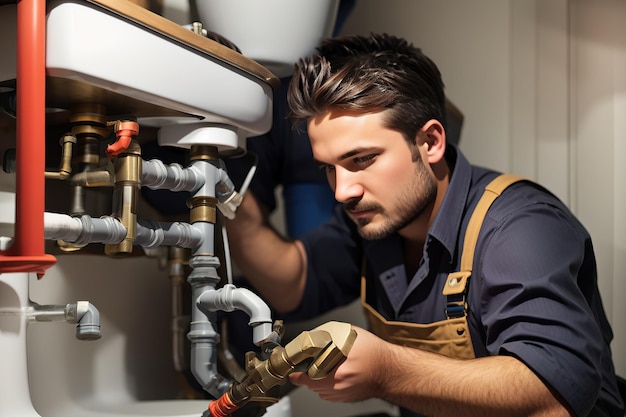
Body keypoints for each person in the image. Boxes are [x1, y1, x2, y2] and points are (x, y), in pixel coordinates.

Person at [224, 33, 624, 417]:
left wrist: (388, 372)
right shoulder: (372, 224)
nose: (343, 191)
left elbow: (554, 396)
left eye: (361, 160)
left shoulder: (518, 228)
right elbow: (292, 283)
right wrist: (226, 196)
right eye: (329, 168)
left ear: (430, 142)